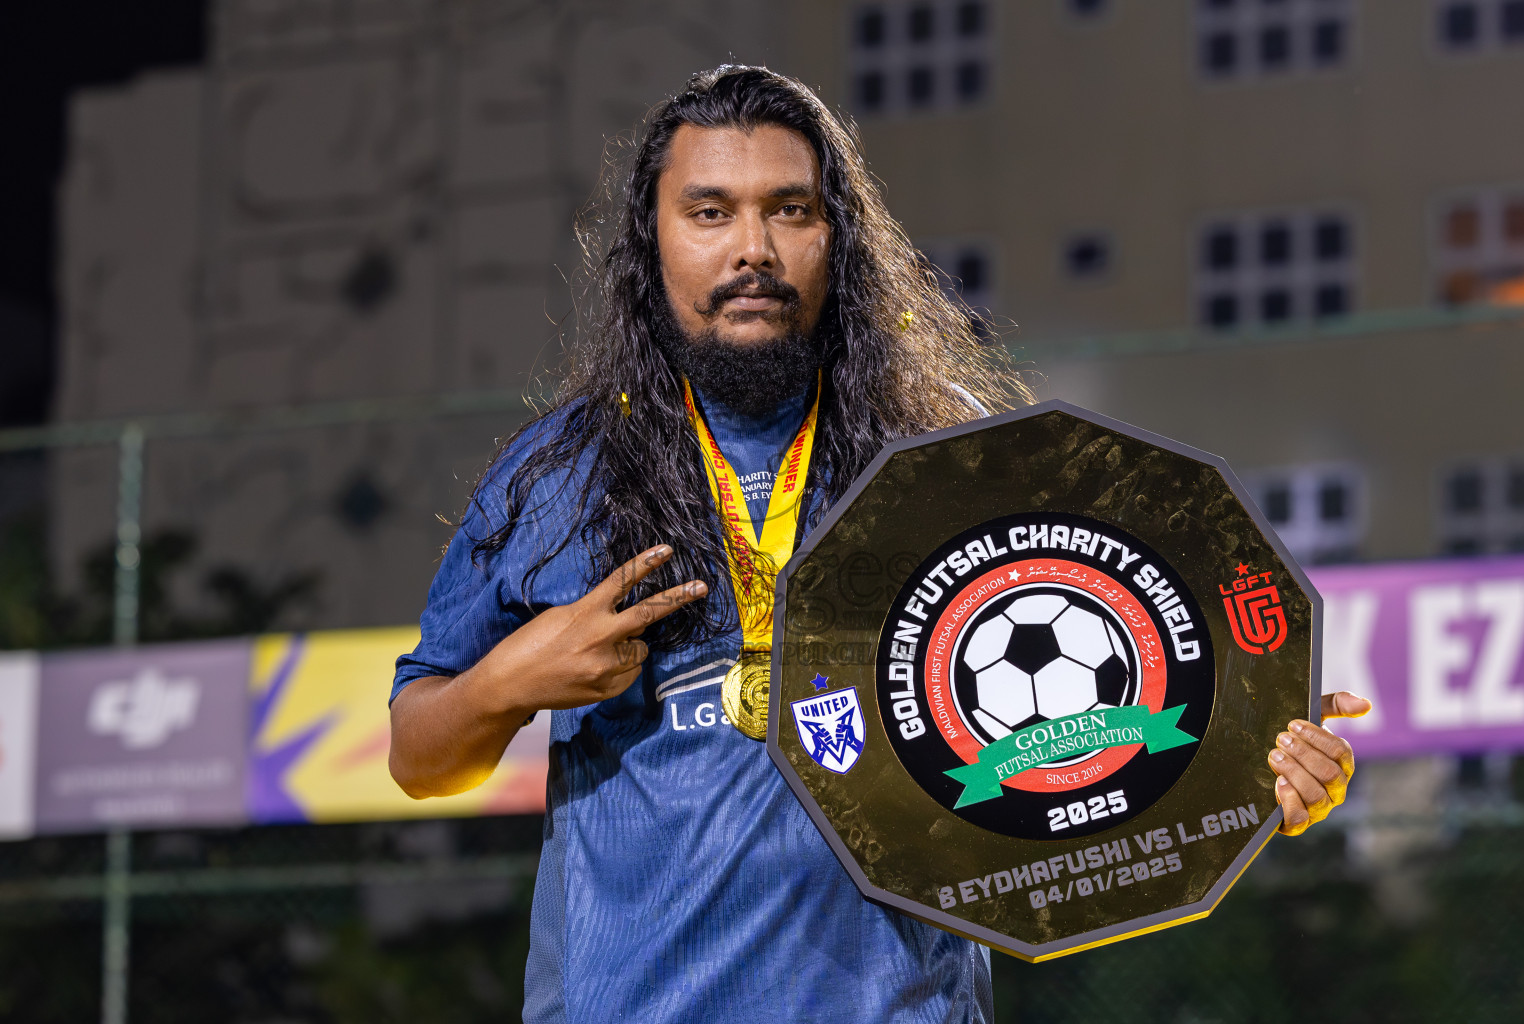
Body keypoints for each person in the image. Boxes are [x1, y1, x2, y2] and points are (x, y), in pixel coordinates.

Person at [388, 65, 1369, 1023]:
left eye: (792, 210)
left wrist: (1248, 755)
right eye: (710, 212)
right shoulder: (558, 473)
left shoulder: (956, 458)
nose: (754, 248)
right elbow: (418, 757)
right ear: (652, 242)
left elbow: (1128, 679)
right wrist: (504, 682)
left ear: (840, 237)